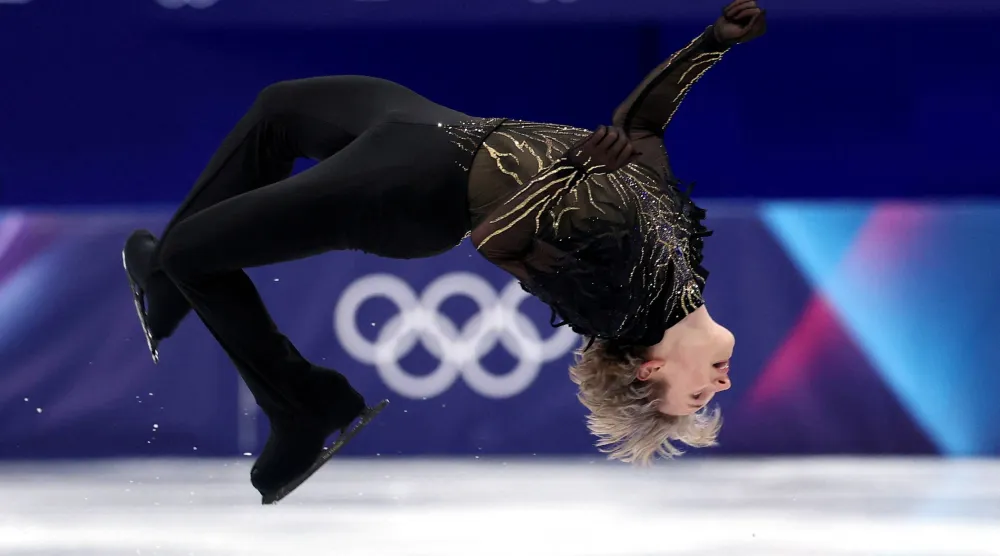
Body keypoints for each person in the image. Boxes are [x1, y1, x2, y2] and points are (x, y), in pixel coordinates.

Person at [122, 0, 766, 503]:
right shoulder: (684, 269)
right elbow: (641, 128)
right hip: (442, 129)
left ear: (650, 373)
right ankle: (161, 284)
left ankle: (303, 404)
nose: (722, 383)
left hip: (413, 193)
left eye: (699, 397)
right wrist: (711, 44)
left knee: (190, 253)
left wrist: (566, 177)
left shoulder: (619, 309)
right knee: (279, 108)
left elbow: (498, 239)